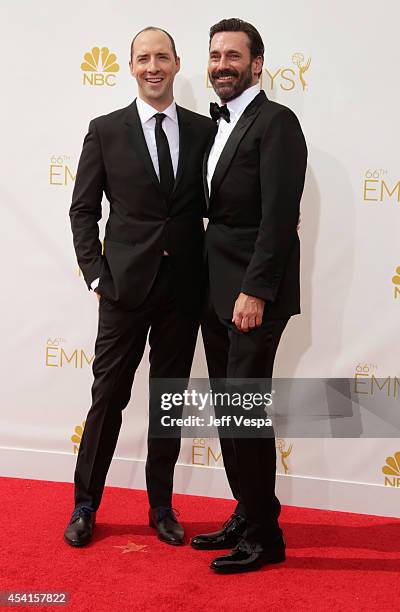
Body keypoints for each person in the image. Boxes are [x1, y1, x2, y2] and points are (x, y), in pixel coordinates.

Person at [64, 27, 214, 548]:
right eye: (143, 58)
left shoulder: (203, 131)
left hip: (184, 291)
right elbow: (83, 209)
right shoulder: (104, 130)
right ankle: (85, 505)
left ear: (176, 64)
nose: (153, 66)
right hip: (124, 290)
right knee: (107, 398)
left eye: (162, 57)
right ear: (130, 67)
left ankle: (161, 505)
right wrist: (96, 273)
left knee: (168, 400)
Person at [191, 18, 307, 573]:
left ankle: (266, 536)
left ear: (257, 63)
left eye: (233, 56)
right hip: (216, 291)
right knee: (228, 409)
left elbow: (280, 218)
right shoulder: (218, 126)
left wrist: (255, 291)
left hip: (252, 294)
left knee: (244, 412)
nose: (221, 65)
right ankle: (250, 510)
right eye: (215, 56)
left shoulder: (277, 123)